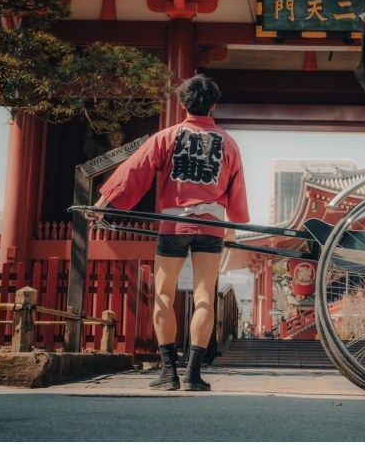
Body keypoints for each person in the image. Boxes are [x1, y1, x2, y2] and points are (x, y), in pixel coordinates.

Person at [87, 74, 249, 391]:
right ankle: (192, 375)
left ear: (183, 103)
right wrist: (234, 225)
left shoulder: (167, 136)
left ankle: (167, 373)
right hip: (212, 226)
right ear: (213, 105)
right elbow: (237, 192)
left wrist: (105, 202)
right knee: (205, 295)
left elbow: (135, 170)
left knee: (164, 293)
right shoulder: (228, 143)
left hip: (174, 223)